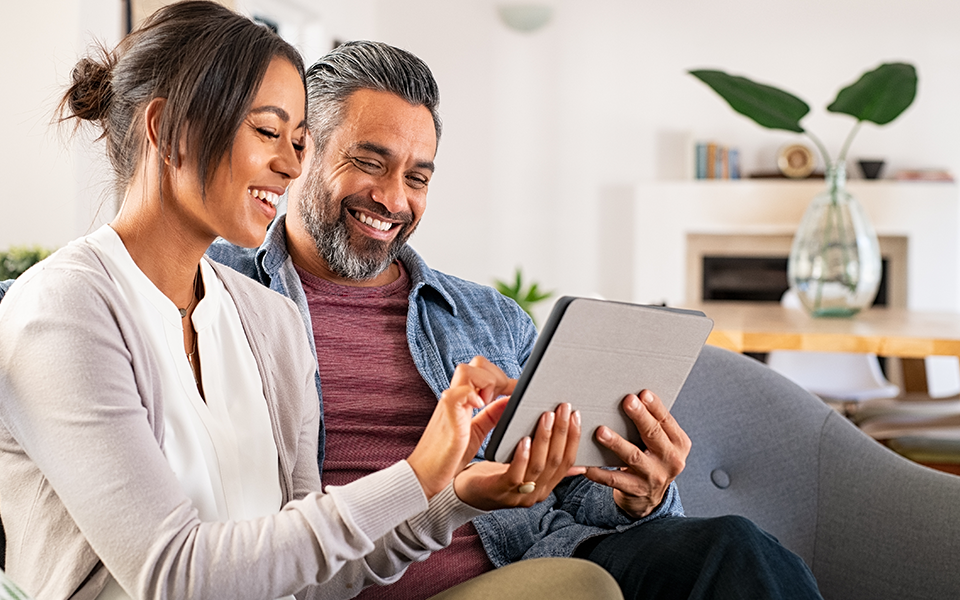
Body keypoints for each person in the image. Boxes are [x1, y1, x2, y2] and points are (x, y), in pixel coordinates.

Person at [0, 4, 623, 599]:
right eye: (269, 131)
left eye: (299, 140)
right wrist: (416, 473)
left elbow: (313, 579)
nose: (291, 165)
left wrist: (453, 494)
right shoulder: (62, 311)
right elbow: (172, 574)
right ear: (167, 130)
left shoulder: (267, 320)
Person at [207, 41, 824, 600]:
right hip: (357, 582)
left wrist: (641, 494)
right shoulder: (217, 293)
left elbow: (578, 491)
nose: (394, 200)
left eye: (417, 177)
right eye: (369, 163)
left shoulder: (486, 316)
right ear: (300, 150)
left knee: (732, 550)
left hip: (542, 561)